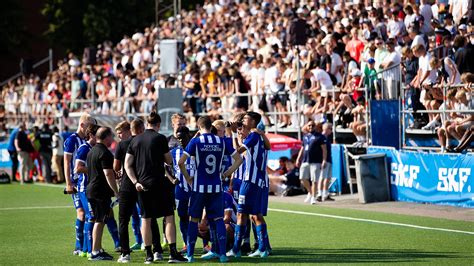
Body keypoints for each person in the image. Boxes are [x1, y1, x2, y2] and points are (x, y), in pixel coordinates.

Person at [178, 116, 242, 263]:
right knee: (219, 220)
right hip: (216, 187)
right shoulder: (221, 141)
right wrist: (226, 173)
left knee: (194, 220)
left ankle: (190, 255)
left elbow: (181, 162)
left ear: (200, 127)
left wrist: (188, 178)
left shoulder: (196, 141)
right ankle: (223, 255)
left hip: (198, 187)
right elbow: (239, 159)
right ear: (210, 127)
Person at [125, 111, 187, 263]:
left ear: (147, 124)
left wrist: (135, 182)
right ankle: (173, 253)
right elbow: (168, 160)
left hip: (142, 184)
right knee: (169, 217)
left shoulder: (135, 140)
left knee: (145, 219)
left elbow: (127, 164)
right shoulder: (160, 138)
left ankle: (148, 255)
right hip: (159, 183)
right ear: (158, 125)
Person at [227, 112, 272, 258]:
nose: (242, 121)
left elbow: (239, 152)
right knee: (255, 215)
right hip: (257, 180)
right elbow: (267, 146)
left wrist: (232, 135)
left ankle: (236, 249)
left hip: (250, 181)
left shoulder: (253, 136)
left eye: (245, 118)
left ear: (253, 121)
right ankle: (263, 248)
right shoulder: (258, 136)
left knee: (242, 214)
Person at [63, 113, 96, 255]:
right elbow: (66, 161)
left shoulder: (87, 141)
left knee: (89, 213)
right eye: (89, 126)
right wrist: (69, 183)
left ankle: (87, 247)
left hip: (86, 181)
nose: (91, 130)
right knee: (82, 213)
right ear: (82, 125)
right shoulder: (71, 140)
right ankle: (79, 246)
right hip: (76, 182)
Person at [86, 127, 120, 261]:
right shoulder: (104, 152)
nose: (112, 139)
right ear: (106, 137)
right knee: (100, 221)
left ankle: (98, 248)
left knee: (99, 220)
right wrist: (116, 191)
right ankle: (95, 251)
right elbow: (107, 173)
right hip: (99, 192)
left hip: (92, 190)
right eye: (111, 136)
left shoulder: (92, 151)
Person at [115, 119, 145, 263]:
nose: (119, 136)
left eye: (121, 133)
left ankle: (125, 253)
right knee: (148, 217)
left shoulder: (123, 145)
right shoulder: (145, 142)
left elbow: (116, 167)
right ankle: (154, 251)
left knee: (123, 220)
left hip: (128, 185)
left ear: (129, 130)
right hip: (144, 183)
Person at [74, 124, 100, 257]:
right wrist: (95, 170)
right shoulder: (84, 148)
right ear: (91, 135)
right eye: (98, 134)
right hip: (84, 188)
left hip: (93, 188)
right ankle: (91, 251)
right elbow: (78, 168)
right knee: (92, 217)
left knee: (95, 217)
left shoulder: (96, 148)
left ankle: (85, 249)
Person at [169, 126, 194, 254]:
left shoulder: (196, 150)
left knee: (197, 218)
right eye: (178, 138)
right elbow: (164, 166)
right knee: (182, 216)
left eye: (183, 138)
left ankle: (206, 244)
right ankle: (186, 243)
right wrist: (171, 179)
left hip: (195, 190)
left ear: (188, 135)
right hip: (180, 190)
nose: (181, 141)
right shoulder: (174, 152)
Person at [296, 121, 328, 205]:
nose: (310, 127)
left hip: (315, 161)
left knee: (314, 180)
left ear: (315, 127)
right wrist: (298, 158)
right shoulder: (305, 136)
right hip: (305, 160)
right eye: (309, 125)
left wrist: (324, 160)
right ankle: (310, 192)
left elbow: (324, 150)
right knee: (302, 178)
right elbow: (302, 148)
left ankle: (313, 197)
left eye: (312, 125)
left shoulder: (320, 137)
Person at [317, 123, 334, 202]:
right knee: (322, 177)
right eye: (330, 128)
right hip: (324, 160)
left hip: (329, 160)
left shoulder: (327, 138)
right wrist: (323, 160)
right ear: (327, 129)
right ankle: (319, 194)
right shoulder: (321, 137)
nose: (331, 130)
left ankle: (325, 194)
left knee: (328, 178)